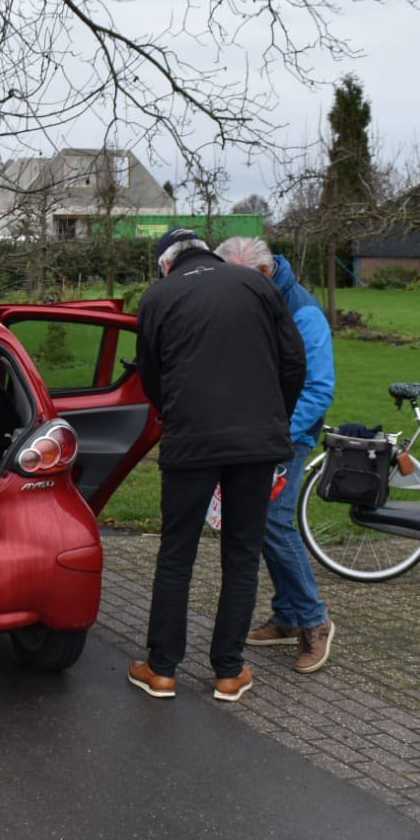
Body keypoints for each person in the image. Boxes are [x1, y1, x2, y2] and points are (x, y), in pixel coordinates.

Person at [127, 228, 305, 703]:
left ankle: (162, 669)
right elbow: (293, 362)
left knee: (176, 555)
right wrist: (272, 419)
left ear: (166, 263)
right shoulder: (258, 285)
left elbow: (151, 375)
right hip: (257, 443)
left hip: (192, 443)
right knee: (241, 555)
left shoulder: (158, 296)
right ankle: (229, 671)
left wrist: (177, 412)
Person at [216, 237, 337, 673]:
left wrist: (278, 434)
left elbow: (319, 387)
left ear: (264, 274)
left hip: (286, 437)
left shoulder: (303, 312)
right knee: (263, 523)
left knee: (273, 522)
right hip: (258, 432)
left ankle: (313, 620)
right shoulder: (258, 297)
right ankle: (287, 616)